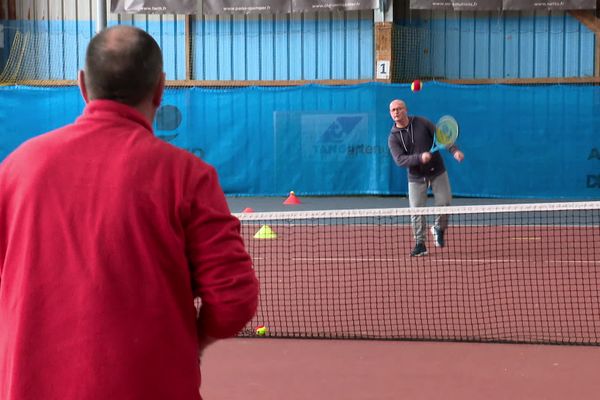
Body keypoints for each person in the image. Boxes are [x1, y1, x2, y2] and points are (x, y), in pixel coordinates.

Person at [0, 26, 259, 400]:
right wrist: (194, 339)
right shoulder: (188, 176)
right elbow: (234, 302)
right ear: (160, 88)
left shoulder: (17, 168)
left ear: (82, 85)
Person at [387, 99, 464, 257]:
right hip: (415, 177)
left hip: (437, 171)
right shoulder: (393, 138)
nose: (396, 112)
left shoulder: (422, 122)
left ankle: (438, 228)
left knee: (445, 203)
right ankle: (420, 243)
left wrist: (454, 151)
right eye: (393, 110)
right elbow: (400, 160)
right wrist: (419, 158)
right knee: (416, 211)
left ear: (405, 110)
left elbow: (442, 137)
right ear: (390, 114)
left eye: (399, 109)